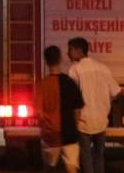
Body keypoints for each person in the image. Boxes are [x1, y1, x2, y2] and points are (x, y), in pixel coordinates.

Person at [67, 38, 120, 173]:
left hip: (83, 121)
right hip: (102, 120)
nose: (68, 53)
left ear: (79, 51)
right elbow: (116, 92)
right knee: (99, 156)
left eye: (70, 49)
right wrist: (104, 104)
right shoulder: (103, 68)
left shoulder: (75, 70)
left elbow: (73, 98)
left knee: (86, 157)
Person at [35, 45, 84, 173]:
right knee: (71, 167)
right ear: (60, 59)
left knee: (49, 168)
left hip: (50, 135)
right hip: (70, 133)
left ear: (45, 61)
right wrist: (75, 126)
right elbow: (77, 110)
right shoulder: (70, 82)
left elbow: (39, 112)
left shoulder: (42, 84)